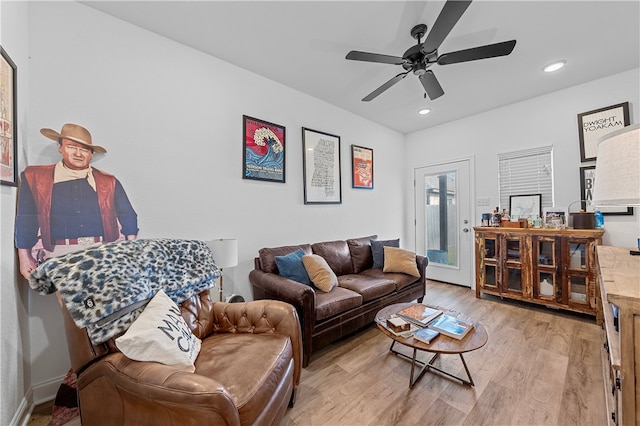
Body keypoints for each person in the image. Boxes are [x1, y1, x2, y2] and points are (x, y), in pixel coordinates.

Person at [15, 123, 138, 279]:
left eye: (85, 149)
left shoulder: (108, 181)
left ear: (91, 154)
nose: (78, 154)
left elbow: (128, 215)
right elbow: (27, 218)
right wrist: (24, 257)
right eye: (72, 147)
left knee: (100, 302)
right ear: (60, 147)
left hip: (101, 253)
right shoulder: (35, 177)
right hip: (58, 255)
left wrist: (131, 252)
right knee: (67, 302)